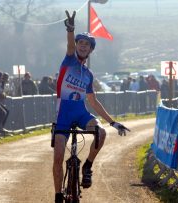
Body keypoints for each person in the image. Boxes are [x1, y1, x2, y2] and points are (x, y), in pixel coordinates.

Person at [53, 10, 130, 203]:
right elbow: (70, 45)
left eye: (86, 44)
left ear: (90, 50)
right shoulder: (69, 60)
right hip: (63, 114)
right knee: (58, 157)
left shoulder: (88, 74)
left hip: (80, 112)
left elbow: (93, 102)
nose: (82, 45)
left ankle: (87, 166)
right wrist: (71, 30)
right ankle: (58, 195)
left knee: (101, 133)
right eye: (80, 42)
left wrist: (113, 123)